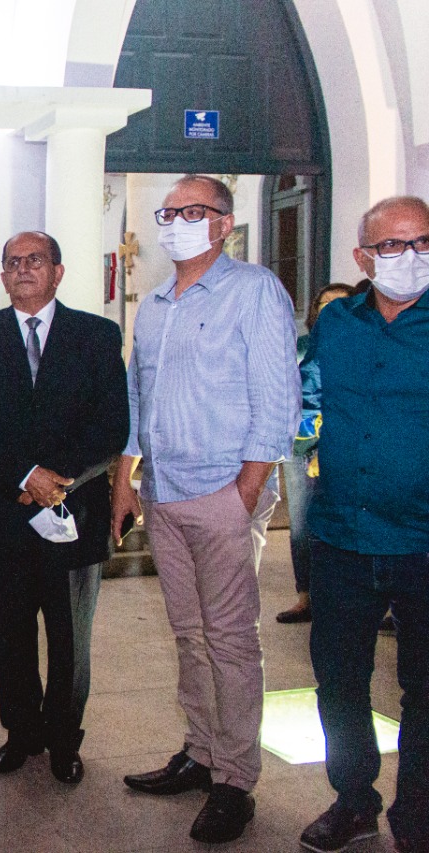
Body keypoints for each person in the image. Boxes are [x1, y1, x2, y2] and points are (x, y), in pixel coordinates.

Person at [110, 174, 299, 843]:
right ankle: (201, 749)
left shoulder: (254, 291)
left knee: (230, 640)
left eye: (194, 210)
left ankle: (236, 778)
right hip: (164, 494)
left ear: (222, 222)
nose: (178, 221)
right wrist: (126, 476)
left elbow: (278, 400)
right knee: (189, 635)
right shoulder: (157, 302)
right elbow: (139, 395)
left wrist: (244, 493)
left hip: (223, 492)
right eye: (170, 211)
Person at [0, 231, 129, 784]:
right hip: (6, 512)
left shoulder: (97, 335)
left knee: (70, 638)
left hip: (73, 512)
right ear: (2, 275)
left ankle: (63, 741)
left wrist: (60, 478)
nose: (23, 269)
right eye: (12, 262)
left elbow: (112, 425)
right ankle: (21, 734)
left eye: (35, 260)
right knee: (11, 633)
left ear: (58, 271)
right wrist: (25, 476)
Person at [295, 196, 429, 853]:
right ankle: (354, 799)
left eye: (422, 243)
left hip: (423, 538)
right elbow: (308, 400)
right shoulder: (336, 323)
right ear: (363, 258)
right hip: (343, 533)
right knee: (339, 679)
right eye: (392, 246)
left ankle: (419, 816)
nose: (409, 257)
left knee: (424, 688)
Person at [276, 283, 357, 625]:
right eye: (324, 303)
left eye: (340, 303)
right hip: (301, 443)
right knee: (302, 523)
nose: (330, 309)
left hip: (345, 445)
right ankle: (306, 597)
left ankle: (359, 599)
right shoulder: (300, 348)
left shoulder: (362, 347)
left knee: (348, 520)